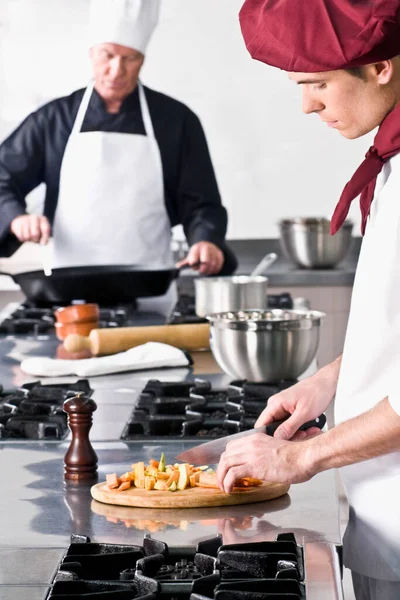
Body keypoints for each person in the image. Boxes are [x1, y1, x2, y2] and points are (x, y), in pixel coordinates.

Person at [216, 2, 400, 598]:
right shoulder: (393, 163)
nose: (308, 104)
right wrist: (333, 381)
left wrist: (303, 459)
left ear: (380, 66)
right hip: (384, 512)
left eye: (317, 84)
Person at [0, 0, 236, 314]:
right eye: (107, 55)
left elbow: (201, 201)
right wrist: (16, 217)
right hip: (68, 298)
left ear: (143, 60)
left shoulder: (176, 121)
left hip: (150, 294)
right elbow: (3, 178)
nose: (116, 70)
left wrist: (205, 240)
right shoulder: (53, 120)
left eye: (130, 58)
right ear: (92, 54)